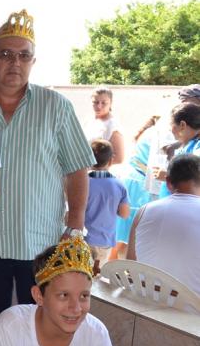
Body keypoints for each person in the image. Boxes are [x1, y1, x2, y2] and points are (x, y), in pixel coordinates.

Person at [0, 10, 94, 338]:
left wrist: (75, 225)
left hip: (39, 243)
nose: (15, 63)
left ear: (33, 61)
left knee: (39, 326)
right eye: (6, 54)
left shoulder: (55, 106)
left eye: (24, 55)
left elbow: (77, 168)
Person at [129, 154, 200, 295]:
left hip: (141, 301)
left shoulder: (144, 211)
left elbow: (130, 262)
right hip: (190, 311)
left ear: (167, 182)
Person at [111, 116, 160, 260]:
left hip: (132, 180)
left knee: (121, 232)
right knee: (126, 233)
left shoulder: (149, 132)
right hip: (139, 183)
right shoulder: (156, 134)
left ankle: (108, 268)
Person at [84, 140, 129, 274]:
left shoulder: (83, 182)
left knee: (81, 273)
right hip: (104, 240)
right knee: (97, 276)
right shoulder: (119, 185)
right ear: (110, 161)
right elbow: (124, 214)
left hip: (83, 238)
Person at [154, 102, 200, 198]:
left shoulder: (197, 147)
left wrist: (171, 176)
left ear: (182, 125)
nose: (171, 130)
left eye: (171, 125)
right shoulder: (188, 145)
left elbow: (195, 175)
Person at [85, 87, 124, 165]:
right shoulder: (89, 120)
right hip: (87, 171)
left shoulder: (113, 125)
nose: (99, 106)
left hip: (103, 174)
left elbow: (119, 158)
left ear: (110, 103)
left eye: (104, 103)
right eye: (95, 102)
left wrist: (96, 166)